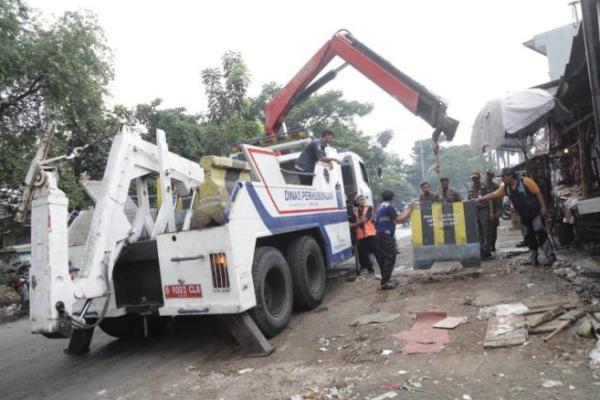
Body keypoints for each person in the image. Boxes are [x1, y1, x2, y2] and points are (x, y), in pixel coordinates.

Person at [477, 168, 556, 266]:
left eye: (503, 177)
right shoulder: (506, 188)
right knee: (529, 236)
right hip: (524, 215)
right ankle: (533, 258)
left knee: (540, 233)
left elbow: (538, 193)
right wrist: (480, 199)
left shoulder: (526, 181)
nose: (502, 179)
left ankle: (550, 256)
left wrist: (543, 207)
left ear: (510, 175)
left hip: (535, 213)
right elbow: (493, 195)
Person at [374, 190, 414, 290]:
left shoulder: (380, 207)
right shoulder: (389, 207)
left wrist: (407, 209)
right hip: (386, 236)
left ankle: (385, 280)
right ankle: (385, 283)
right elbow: (399, 220)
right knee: (390, 257)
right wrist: (410, 210)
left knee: (383, 258)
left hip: (379, 235)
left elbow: (396, 217)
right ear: (392, 197)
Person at [468, 171, 493, 259]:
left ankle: (487, 251)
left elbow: (489, 199)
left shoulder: (484, 186)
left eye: (476, 178)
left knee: (486, 231)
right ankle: (481, 250)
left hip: (484, 210)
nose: (474, 179)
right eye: (473, 178)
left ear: (479, 178)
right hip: (475, 211)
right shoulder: (470, 188)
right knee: (478, 232)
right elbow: (469, 200)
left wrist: (491, 212)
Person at [350, 194, 376, 275]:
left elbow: (365, 219)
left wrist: (353, 225)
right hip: (361, 235)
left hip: (370, 234)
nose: (362, 201)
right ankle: (370, 270)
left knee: (376, 251)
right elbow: (352, 220)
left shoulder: (369, 208)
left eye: (363, 199)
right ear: (357, 201)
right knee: (364, 254)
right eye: (360, 199)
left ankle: (382, 266)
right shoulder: (355, 211)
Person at [485, 169, 502, 252]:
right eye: (487, 174)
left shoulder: (496, 186)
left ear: (492, 176)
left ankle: (492, 245)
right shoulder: (483, 186)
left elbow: (499, 199)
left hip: (494, 209)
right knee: (486, 229)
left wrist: (499, 210)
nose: (488, 176)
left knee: (493, 229)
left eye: (489, 175)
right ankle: (487, 245)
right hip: (485, 210)